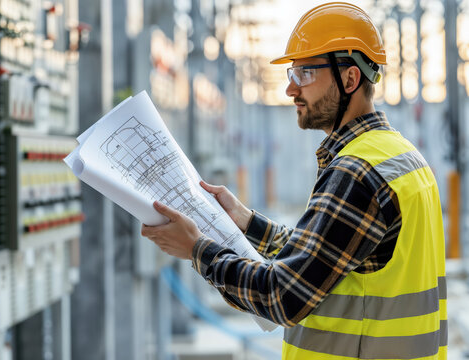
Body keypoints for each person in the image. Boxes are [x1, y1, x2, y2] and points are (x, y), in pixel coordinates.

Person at [141, 2, 447, 359]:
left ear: (350, 78)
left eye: (305, 73)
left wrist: (197, 250)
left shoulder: (356, 172)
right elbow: (323, 256)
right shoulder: (400, 156)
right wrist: (246, 221)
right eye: (292, 73)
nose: (290, 89)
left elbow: (282, 296)